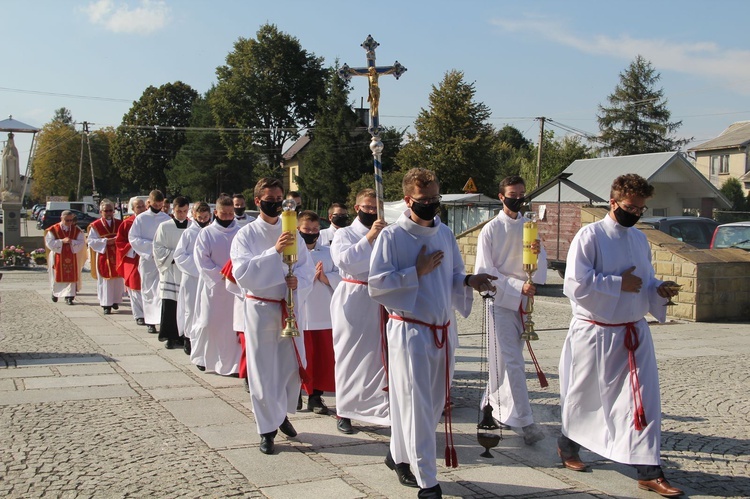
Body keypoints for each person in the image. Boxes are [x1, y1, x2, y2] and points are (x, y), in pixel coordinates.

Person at [369, 168, 496, 499]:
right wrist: (416, 271)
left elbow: (453, 276)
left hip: (443, 330)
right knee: (416, 406)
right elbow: (377, 286)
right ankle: (428, 480)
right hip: (410, 332)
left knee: (432, 404)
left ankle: (398, 454)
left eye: (436, 198)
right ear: (409, 200)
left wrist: (469, 281)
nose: (433, 205)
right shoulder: (392, 237)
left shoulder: (444, 234)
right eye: (426, 200)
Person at [558, 174, 683, 498]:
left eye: (641, 209)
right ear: (613, 202)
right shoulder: (590, 236)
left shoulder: (639, 239)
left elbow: (646, 281)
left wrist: (660, 290)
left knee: (643, 402)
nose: (636, 214)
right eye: (630, 207)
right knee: (586, 398)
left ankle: (648, 471)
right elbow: (574, 285)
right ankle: (567, 445)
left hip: (633, 332)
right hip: (596, 332)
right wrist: (616, 284)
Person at [230, 177, 314, 455]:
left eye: (280, 199)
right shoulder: (246, 234)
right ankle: (266, 429)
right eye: (270, 199)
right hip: (260, 309)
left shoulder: (293, 230)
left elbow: (305, 266)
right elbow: (242, 273)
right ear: (258, 201)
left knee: (287, 367)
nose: (276, 204)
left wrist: (298, 282)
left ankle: (280, 415)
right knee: (263, 369)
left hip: (288, 307)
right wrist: (274, 252)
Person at [474, 175, 547, 445]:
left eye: (522, 193)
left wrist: (537, 254)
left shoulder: (529, 227)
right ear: (501, 196)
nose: (518, 198)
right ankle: (527, 423)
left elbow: (538, 268)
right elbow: (485, 271)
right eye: (512, 194)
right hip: (501, 302)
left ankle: (487, 408)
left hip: (523, 303)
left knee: (504, 362)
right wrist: (517, 286)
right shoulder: (491, 230)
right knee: (513, 362)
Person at [329, 188, 389, 435]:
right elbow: (344, 261)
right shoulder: (345, 233)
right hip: (354, 296)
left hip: (380, 297)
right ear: (357, 208)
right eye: (367, 207)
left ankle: (377, 409)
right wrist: (370, 237)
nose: (372, 211)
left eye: (376, 208)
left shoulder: (388, 232)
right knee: (349, 354)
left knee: (378, 357)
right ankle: (345, 410)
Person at [191, 195, 243, 375]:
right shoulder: (207, 233)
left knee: (233, 326)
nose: (228, 217)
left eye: (231, 213)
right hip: (215, 287)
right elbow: (201, 259)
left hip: (236, 286)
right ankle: (203, 358)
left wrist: (238, 274)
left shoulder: (241, 232)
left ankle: (233, 364)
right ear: (216, 212)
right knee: (208, 323)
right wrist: (221, 274)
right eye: (224, 213)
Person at [297, 210, 341, 414]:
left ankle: (315, 396)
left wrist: (325, 278)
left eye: (315, 229)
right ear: (298, 229)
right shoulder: (291, 251)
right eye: (307, 229)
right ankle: (295, 393)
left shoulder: (328, 252)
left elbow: (341, 275)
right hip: (300, 311)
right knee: (300, 354)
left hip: (323, 312)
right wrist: (307, 279)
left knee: (321, 356)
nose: (312, 233)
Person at [129, 190, 171, 334]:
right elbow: (134, 238)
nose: (158, 207)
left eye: (160, 204)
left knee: (161, 290)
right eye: (155, 204)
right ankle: (149, 321)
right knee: (147, 289)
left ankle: (160, 319)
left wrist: (162, 251)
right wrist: (152, 248)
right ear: (149, 202)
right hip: (147, 259)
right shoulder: (141, 219)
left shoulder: (166, 218)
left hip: (162, 259)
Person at [174, 202, 211, 355]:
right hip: (192, 277)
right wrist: (198, 268)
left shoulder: (211, 231)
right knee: (190, 308)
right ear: (194, 215)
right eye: (200, 217)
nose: (202, 220)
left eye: (206, 217)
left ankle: (204, 339)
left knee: (205, 308)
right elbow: (179, 255)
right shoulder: (189, 233)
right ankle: (188, 338)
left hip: (208, 278)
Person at [153, 196, 190, 349]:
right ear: (172, 210)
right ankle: (170, 336)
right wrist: (175, 256)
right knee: (170, 304)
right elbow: (158, 248)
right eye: (179, 211)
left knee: (185, 305)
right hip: (171, 269)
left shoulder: (192, 227)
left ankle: (184, 336)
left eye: (185, 211)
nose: (182, 214)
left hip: (186, 271)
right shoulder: (164, 226)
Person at [87, 199, 124, 314]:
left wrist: (117, 241)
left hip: (117, 255)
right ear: (101, 212)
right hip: (104, 255)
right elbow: (91, 241)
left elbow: (125, 237)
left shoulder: (119, 224)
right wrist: (105, 242)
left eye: (110, 210)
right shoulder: (95, 225)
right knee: (106, 281)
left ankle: (116, 300)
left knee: (118, 280)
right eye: (106, 211)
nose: (108, 213)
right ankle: (106, 305)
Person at [116, 198, 147, 325]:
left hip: (148, 258)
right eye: (138, 207)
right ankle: (139, 314)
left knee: (148, 286)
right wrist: (133, 247)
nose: (141, 209)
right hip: (133, 259)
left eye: (142, 206)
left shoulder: (149, 221)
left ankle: (149, 313)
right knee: (135, 287)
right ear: (132, 209)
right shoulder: (127, 223)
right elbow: (120, 242)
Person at [45, 210, 86, 305]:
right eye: (67, 220)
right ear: (61, 219)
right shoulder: (53, 229)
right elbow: (49, 242)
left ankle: (69, 297)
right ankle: (55, 293)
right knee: (56, 274)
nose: (69, 223)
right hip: (57, 255)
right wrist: (61, 241)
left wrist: (72, 242)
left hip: (72, 254)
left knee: (72, 274)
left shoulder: (76, 230)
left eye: (71, 220)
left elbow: (81, 242)